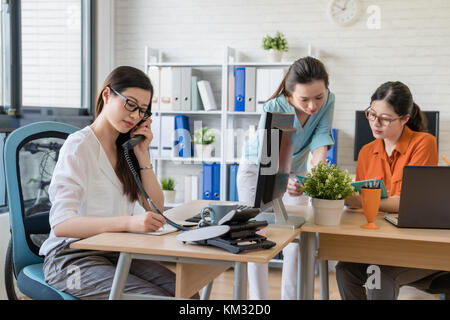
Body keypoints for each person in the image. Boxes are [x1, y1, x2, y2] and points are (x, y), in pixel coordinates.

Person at [39, 66, 180, 299]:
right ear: (107, 95)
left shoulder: (127, 150)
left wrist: (143, 154)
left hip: (115, 251)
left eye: (142, 110)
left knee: (185, 293)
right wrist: (129, 223)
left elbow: (156, 209)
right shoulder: (79, 146)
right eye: (130, 104)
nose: (135, 116)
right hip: (70, 261)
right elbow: (62, 224)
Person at [338, 81, 448, 300]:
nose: (375, 123)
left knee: (379, 274)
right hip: (381, 243)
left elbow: (408, 203)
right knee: (345, 269)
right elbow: (358, 203)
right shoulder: (367, 152)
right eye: (371, 114)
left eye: (385, 119)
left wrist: (361, 200)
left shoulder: (424, 143)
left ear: (405, 119)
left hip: (417, 246)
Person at [237, 56, 335, 300]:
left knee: (296, 240)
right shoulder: (274, 108)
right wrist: (285, 180)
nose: (313, 106)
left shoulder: (328, 100)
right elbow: (270, 159)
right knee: (256, 237)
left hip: (296, 171)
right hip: (259, 171)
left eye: (318, 97)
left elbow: (321, 138)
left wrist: (315, 178)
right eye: (304, 99)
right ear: (290, 94)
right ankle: (259, 301)